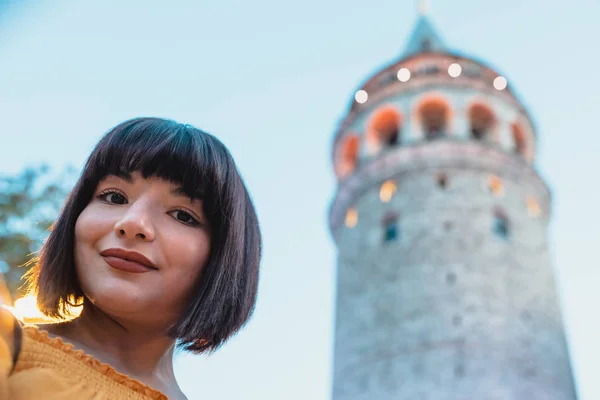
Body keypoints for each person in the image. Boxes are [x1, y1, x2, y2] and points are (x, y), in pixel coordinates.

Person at [0, 117, 262, 400]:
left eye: (182, 215)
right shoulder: (9, 347)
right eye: (114, 197)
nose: (133, 223)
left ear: (221, 260)